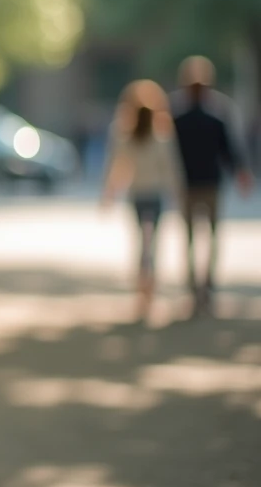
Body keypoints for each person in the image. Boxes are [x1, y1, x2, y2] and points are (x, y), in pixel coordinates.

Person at [170, 56, 254, 315]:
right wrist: (240, 173)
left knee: (192, 238)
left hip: (190, 183)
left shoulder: (178, 116)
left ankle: (196, 285)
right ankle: (206, 284)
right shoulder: (216, 114)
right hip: (208, 183)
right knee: (210, 235)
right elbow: (229, 150)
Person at [100, 80, 184, 323]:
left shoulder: (125, 132)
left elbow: (115, 165)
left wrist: (109, 193)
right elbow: (170, 168)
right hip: (153, 195)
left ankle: (143, 292)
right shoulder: (160, 133)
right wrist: (177, 193)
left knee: (142, 243)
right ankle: (148, 290)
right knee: (151, 243)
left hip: (138, 195)